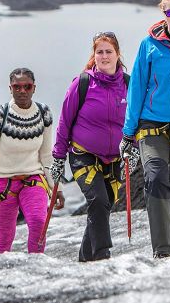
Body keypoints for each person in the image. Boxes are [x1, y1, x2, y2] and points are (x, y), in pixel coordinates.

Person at [121, 0, 170, 259]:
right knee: (155, 179)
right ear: (162, 12)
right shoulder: (148, 45)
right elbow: (137, 88)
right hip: (151, 126)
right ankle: (161, 252)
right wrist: (128, 132)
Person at [51, 33, 129, 262]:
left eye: (108, 51)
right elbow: (65, 120)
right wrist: (58, 157)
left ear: (117, 54)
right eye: (100, 52)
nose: (104, 56)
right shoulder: (83, 83)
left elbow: (134, 119)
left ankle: (86, 258)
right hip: (83, 155)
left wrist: (132, 145)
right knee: (98, 200)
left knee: (102, 207)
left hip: (114, 159)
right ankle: (103, 253)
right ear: (93, 56)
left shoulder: (128, 83)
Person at [0, 68, 64, 254]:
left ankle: (36, 267)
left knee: (39, 224)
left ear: (34, 88)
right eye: (17, 87)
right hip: (2, 183)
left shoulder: (44, 113)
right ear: (10, 88)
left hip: (33, 178)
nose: (22, 91)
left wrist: (57, 188)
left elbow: (47, 155)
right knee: (4, 237)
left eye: (27, 86)